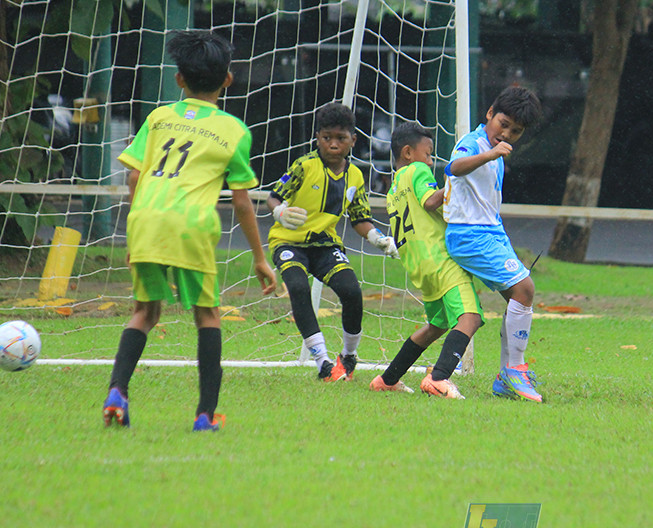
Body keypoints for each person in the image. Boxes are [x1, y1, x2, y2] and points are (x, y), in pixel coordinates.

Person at [102, 30, 277, 432]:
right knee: (208, 315)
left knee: (144, 313)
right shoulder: (234, 130)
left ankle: (117, 391)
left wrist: (133, 235)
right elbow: (241, 201)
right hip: (191, 227)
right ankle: (204, 415)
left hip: (146, 219)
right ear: (228, 80)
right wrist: (259, 257)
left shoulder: (159, 117)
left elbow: (133, 178)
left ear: (179, 79)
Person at [266, 102, 398, 383]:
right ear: (317, 138)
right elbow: (274, 196)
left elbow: (359, 217)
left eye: (341, 138)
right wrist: (280, 211)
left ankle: (348, 356)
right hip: (289, 243)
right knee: (298, 288)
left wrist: (377, 238)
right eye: (327, 138)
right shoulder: (304, 166)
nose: (333, 144)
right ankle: (323, 361)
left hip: (326, 245)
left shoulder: (355, 176)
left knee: (351, 292)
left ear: (353, 140)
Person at [443, 86, 544, 402]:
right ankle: (514, 371)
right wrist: (489, 153)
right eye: (504, 123)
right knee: (525, 288)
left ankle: (506, 378)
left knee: (519, 294)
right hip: (471, 236)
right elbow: (454, 168)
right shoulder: (474, 143)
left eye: (516, 130)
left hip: (489, 233)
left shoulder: (497, 150)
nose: (508, 133)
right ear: (489, 114)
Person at [370, 122, 484, 399]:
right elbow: (431, 201)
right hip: (441, 259)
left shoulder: (393, 189)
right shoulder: (417, 171)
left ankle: (387, 379)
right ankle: (439, 378)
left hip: (419, 265)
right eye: (428, 154)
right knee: (470, 317)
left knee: (437, 325)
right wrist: (456, 179)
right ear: (408, 152)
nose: (431, 160)